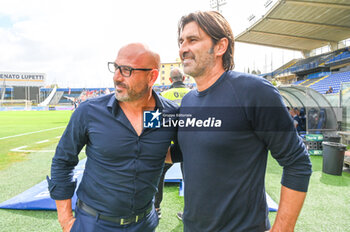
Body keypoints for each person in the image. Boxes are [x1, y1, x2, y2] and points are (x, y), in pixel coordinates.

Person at [168, 11, 312, 231]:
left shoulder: (253, 91)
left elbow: (297, 162)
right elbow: (182, 152)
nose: (183, 48)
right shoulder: (188, 101)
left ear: (220, 47)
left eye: (193, 40)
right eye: (181, 41)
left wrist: (282, 227)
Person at [47, 43, 179, 232]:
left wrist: (158, 154)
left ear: (152, 76)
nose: (116, 77)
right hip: (93, 223)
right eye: (116, 67)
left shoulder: (169, 114)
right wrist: (66, 220)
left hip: (144, 223)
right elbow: (62, 161)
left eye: (127, 70)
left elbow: (188, 149)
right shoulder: (89, 112)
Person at [154, 68, 190, 219]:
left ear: (170, 80)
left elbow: (154, 121)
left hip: (168, 142)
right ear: (183, 78)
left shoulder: (162, 95)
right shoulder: (192, 93)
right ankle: (190, 212)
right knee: (189, 176)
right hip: (188, 142)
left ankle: (156, 209)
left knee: (160, 173)